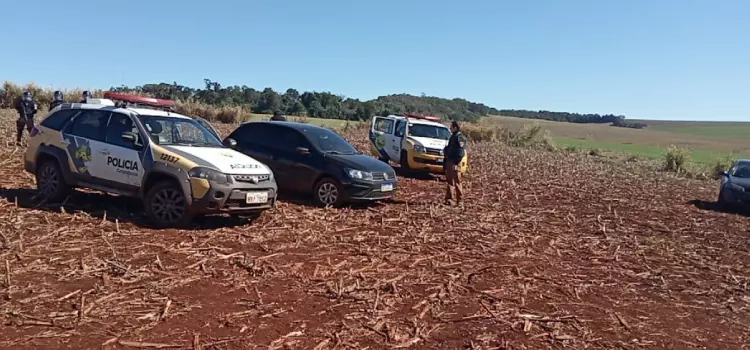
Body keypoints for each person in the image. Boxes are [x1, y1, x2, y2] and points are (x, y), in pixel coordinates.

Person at [443, 121, 466, 205]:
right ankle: (449, 199)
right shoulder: (453, 136)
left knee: (457, 181)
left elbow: (460, 152)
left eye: (451, 127)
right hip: (450, 161)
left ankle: (460, 201)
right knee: (450, 181)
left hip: (455, 162)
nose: (450, 129)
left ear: (455, 128)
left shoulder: (460, 137)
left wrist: (456, 163)